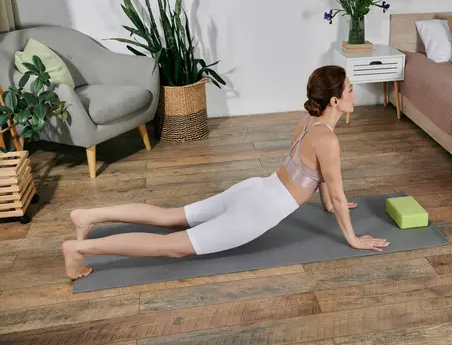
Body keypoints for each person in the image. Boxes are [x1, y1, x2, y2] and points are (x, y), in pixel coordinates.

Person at [61, 65, 390, 280]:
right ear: (334, 100)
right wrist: (353, 238)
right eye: (350, 89)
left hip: (254, 188)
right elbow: (334, 189)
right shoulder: (329, 140)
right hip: (257, 211)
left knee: (169, 216)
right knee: (175, 245)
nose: (354, 93)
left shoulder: (309, 121)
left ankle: (88, 215)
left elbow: (318, 179)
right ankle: (79, 250)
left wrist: (332, 207)